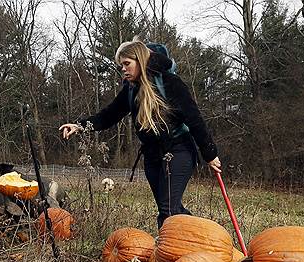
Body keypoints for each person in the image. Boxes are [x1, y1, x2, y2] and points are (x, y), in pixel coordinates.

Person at [60, 39, 221, 229]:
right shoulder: (131, 90)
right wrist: (79, 125)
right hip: (152, 155)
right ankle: (199, 237)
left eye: (127, 63)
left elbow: (194, 119)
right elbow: (108, 115)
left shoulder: (170, 83)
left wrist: (210, 154)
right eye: (121, 65)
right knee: (169, 209)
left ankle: (185, 244)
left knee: (168, 208)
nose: (123, 69)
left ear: (141, 60)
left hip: (179, 150)